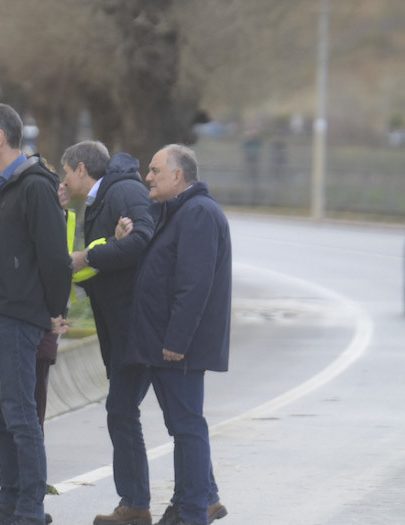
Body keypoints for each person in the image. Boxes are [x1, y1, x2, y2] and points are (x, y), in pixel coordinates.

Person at [0, 104, 70, 525]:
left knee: (21, 415)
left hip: (18, 319)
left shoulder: (35, 187)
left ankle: (31, 508)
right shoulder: (3, 187)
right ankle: (8, 504)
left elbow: (55, 258)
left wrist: (54, 312)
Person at [125, 145, 231, 525]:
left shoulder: (198, 213)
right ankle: (197, 500)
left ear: (178, 175)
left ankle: (193, 511)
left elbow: (193, 285)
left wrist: (177, 341)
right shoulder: (179, 211)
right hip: (165, 344)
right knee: (182, 427)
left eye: (155, 170)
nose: (148, 177)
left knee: (187, 427)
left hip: (179, 348)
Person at [59, 141, 162, 525]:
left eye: (67, 173)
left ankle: (137, 504)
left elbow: (142, 238)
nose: (65, 181)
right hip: (123, 326)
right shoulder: (105, 197)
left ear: (82, 169)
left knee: (125, 410)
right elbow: (97, 257)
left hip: (137, 325)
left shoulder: (123, 190)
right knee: (131, 411)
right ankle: (150, 501)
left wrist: (93, 255)